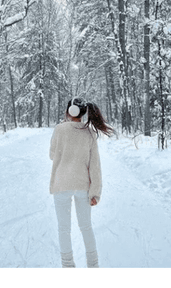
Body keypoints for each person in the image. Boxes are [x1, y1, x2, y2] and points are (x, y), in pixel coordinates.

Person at [49, 97, 114, 268]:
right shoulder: (90, 134)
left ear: (69, 111)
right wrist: (95, 193)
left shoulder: (59, 130)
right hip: (82, 186)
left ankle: (68, 266)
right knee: (86, 227)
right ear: (84, 113)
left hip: (61, 184)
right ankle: (93, 266)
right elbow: (95, 167)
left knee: (63, 228)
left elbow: (52, 155)